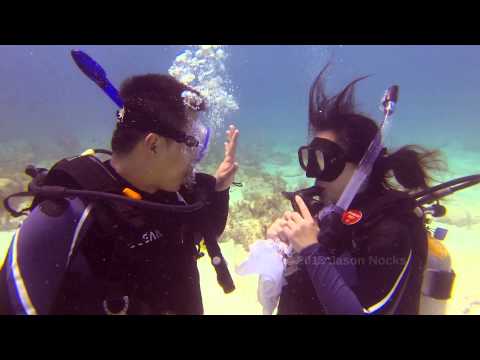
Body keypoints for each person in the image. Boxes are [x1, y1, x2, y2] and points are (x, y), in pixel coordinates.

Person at [0, 74, 240, 315]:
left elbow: (205, 234)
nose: (195, 158)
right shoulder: (64, 217)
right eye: (192, 143)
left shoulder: (175, 197)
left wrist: (220, 189)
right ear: (153, 144)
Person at [267, 64, 445, 315]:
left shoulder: (390, 231)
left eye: (323, 161)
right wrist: (282, 247)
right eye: (309, 159)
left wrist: (310, 249)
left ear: (362, 166)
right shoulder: (322, 211)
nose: (312, 173)